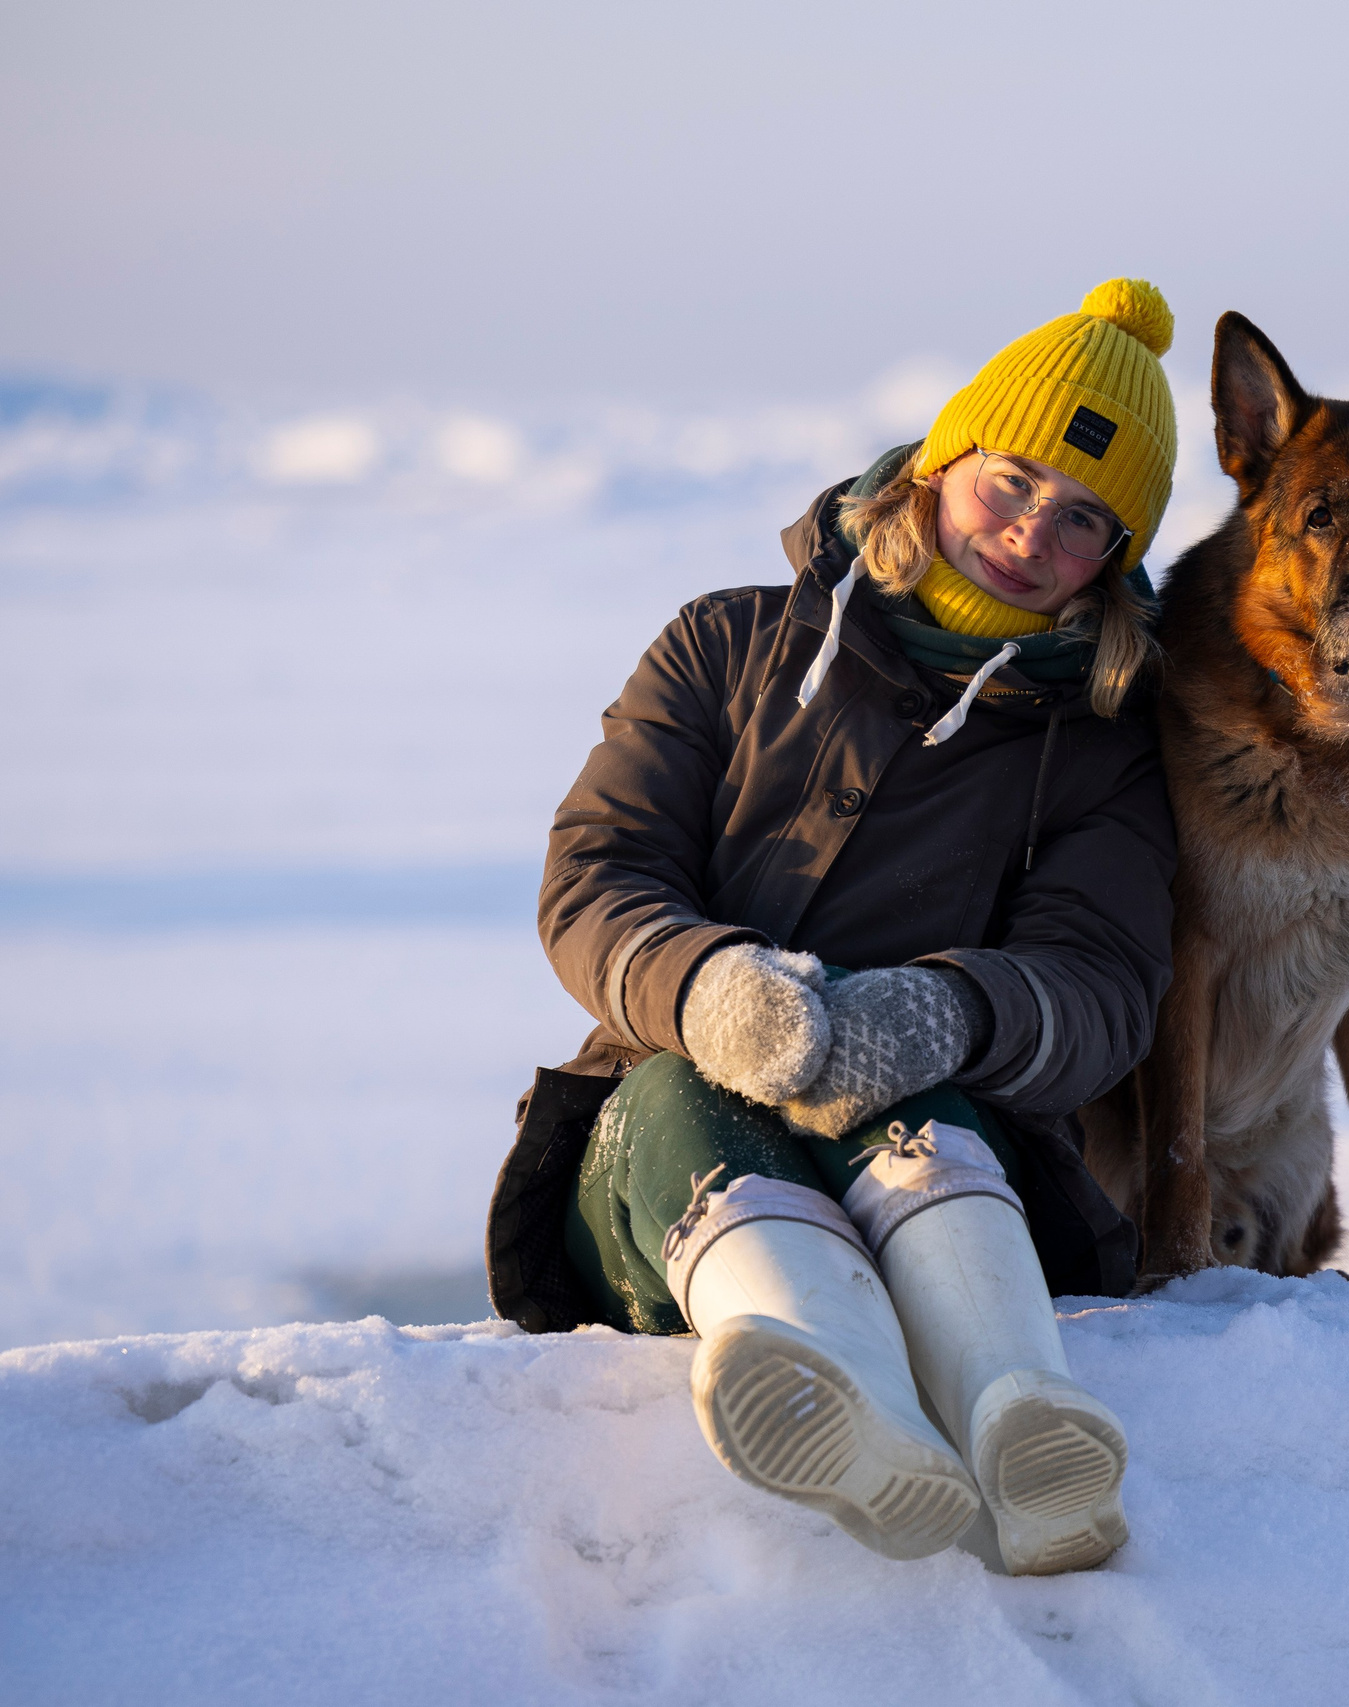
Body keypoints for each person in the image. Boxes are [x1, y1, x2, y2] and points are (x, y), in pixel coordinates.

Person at [483, 280, 1182, 1575]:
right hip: (654, 1128)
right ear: (940, 460)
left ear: (1118, 560)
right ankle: (824, 1383)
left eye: (1085, 518)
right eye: (1014, 479)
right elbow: (597, 869)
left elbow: (1104, 981)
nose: (1034, 532)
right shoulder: (730, 644)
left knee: (936, 1121)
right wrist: (704, 991)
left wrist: (949, 1011)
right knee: (681, 1101)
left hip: (938, 1126)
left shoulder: (1099, 753)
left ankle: (1024, 1410)